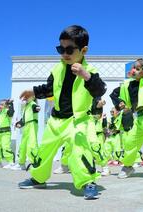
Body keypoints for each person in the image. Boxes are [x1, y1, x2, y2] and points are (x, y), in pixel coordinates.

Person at [18, 25, 107, 200]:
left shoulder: (91, 72)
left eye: (69, 49)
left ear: (83, 50)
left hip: (77, 120)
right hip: (56, 121)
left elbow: (99, 90)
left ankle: (88, 182)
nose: (64, 53)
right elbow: (50, 88)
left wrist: (86, 76)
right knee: (44, 151)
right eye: (60, 49)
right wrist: (34, 92)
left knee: (80, 151)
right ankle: (38, 178)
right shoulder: (57, 69)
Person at [11, 97, 40, 171]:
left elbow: (36, 108)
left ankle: (35, 163)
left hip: (32, 125)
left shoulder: (33, 104)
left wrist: (37, 108)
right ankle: (21, 164)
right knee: (23, 145)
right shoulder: (25, 107)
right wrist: (19, 123)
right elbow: (23, 119)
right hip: (26, 126)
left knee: (32, 144)